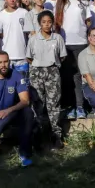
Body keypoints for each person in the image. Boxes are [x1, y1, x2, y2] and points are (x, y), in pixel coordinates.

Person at [27, 10, 67, 149]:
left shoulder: (57, 38)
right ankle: (37, 136)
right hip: (36, 72)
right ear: (39, 23)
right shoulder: (33, 39)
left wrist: (51, 65)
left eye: (49, 22)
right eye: (43, 22)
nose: (46, 24)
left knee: (54, 104)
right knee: (37, 104)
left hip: (53, 71)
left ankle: (55, 135)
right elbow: (29, 57)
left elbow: (62, 56)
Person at [54, 0, 91, 120]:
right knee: (68, 77)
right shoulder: (60, 4)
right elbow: (57, 25)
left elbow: (88, 22)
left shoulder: (82, 4)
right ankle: (71, 106)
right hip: (65, 45)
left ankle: (80, 106)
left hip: (81, 43)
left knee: (80, 77)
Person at [0, 0, 34, 73]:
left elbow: (31, 34)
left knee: (23, 84)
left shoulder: (24, 13)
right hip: (7, 58)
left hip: (23, 57)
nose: (12, 0)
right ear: (5, 0)